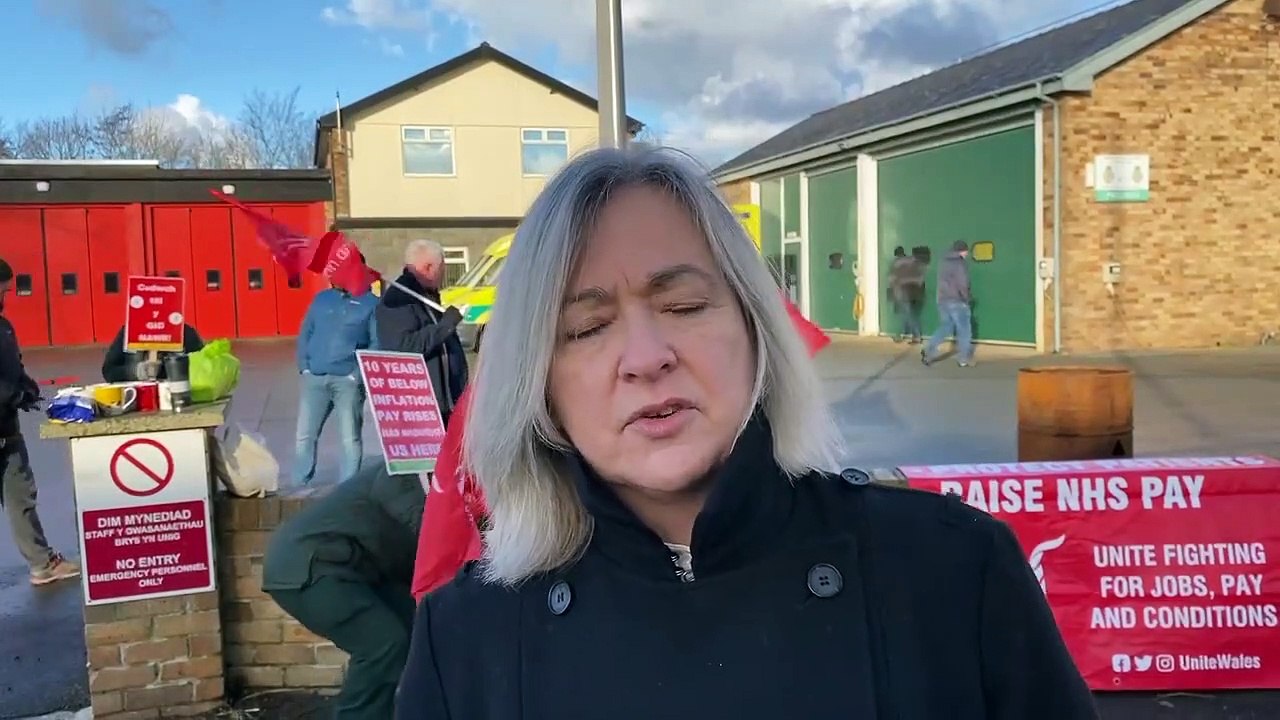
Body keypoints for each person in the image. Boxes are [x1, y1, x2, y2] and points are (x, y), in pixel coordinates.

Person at [395, 147, 1096, 719]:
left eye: (684, 305)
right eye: (587, 327)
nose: (646, 357)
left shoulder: (952, 573)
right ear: (538, 382)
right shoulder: (467, 640)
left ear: (757, 330)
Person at [262, 461, 424, 720]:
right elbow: (426, 531)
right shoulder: (403, 474)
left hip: (353, 569)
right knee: (383, 644)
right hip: (311, 566)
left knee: (420, 627)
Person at [0, 258, 81, 586]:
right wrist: (13, 395)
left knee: (21, 499)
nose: (5, 298)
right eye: (2, 291)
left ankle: (42, 563)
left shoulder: (4, 327)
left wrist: (28, 388)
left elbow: (13, 369)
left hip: (7, 430)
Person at [294, 276, 379, 485]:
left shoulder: (371, 304)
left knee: (350, 438)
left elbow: (376, 343)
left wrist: (357, 375)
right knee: (305, 435)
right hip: (315, 377)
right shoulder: (322, 299)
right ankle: (299, 484)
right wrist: (305, 366)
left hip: (348, 382)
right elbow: (306, 332)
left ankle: (347, 487)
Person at [374, 240, 468, 426]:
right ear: (428, 268)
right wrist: (446, 325)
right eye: (442, 269)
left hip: (446, 400)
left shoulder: (425, 294)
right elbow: (404, 347)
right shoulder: (400, 299)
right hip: (422, 406)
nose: (443, 275)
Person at [922, 239, 975, 367]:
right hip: (957, 301)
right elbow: (963, 284)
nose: (967, 254)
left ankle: (929, 350)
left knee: (946, 326)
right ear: (962, 251)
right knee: (964, 330)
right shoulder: (960, 263)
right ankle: (963, 359)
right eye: (966, 251)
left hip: (942, 300)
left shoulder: (943, 261)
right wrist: (967, 298)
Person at [101, 323, 205, 382]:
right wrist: (135, 371)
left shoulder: (185, 334)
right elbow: (109, 371)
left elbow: (204, 370)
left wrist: (172, 367)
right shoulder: (128, 333)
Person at [887, 245, 926, 343]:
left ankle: (916, 336)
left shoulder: (895, 264)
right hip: (915, 291)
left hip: (903, 291)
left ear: (896, 255)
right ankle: (902, 334)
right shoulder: (914, 262)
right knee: (908, 313)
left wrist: (892, 293)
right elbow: (921, 277)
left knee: (908, 314)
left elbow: (892, 280)